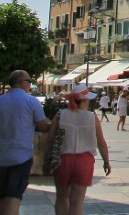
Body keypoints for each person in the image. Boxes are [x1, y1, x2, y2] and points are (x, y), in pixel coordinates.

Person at [0, 71, 51, 215]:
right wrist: (57, 122)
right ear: (22, 83)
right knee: (13, 198)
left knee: (2, 198)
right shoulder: (32, 101)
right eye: (29, 80)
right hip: (21, 157)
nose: (30, 84)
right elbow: (43, 126)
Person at [45, 83, 110, 215]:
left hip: (62, 161)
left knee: (62, 197)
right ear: (85, 100)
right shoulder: (92, 117)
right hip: (84, 161)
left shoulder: (59, 115)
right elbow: (101, 142)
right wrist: (106, 161)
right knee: (77, 202)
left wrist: (46, 161)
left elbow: (50, 140)